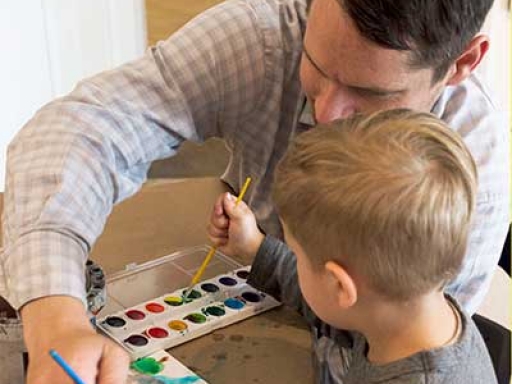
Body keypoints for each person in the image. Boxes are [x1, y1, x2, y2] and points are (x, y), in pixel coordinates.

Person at [0, 0, 508, 382]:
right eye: (319, 66)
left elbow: (364, 324)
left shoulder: (477, 180)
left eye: (372, 93)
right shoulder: (262, 37)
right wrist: (56, 318)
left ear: (464, 62)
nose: (326, 113)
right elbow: (79, 130)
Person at [208, 109, 498, 383]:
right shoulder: (409, 310)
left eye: (297, 255)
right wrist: (257, 249)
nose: (296, 261)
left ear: (339, 285)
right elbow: (332, 305)